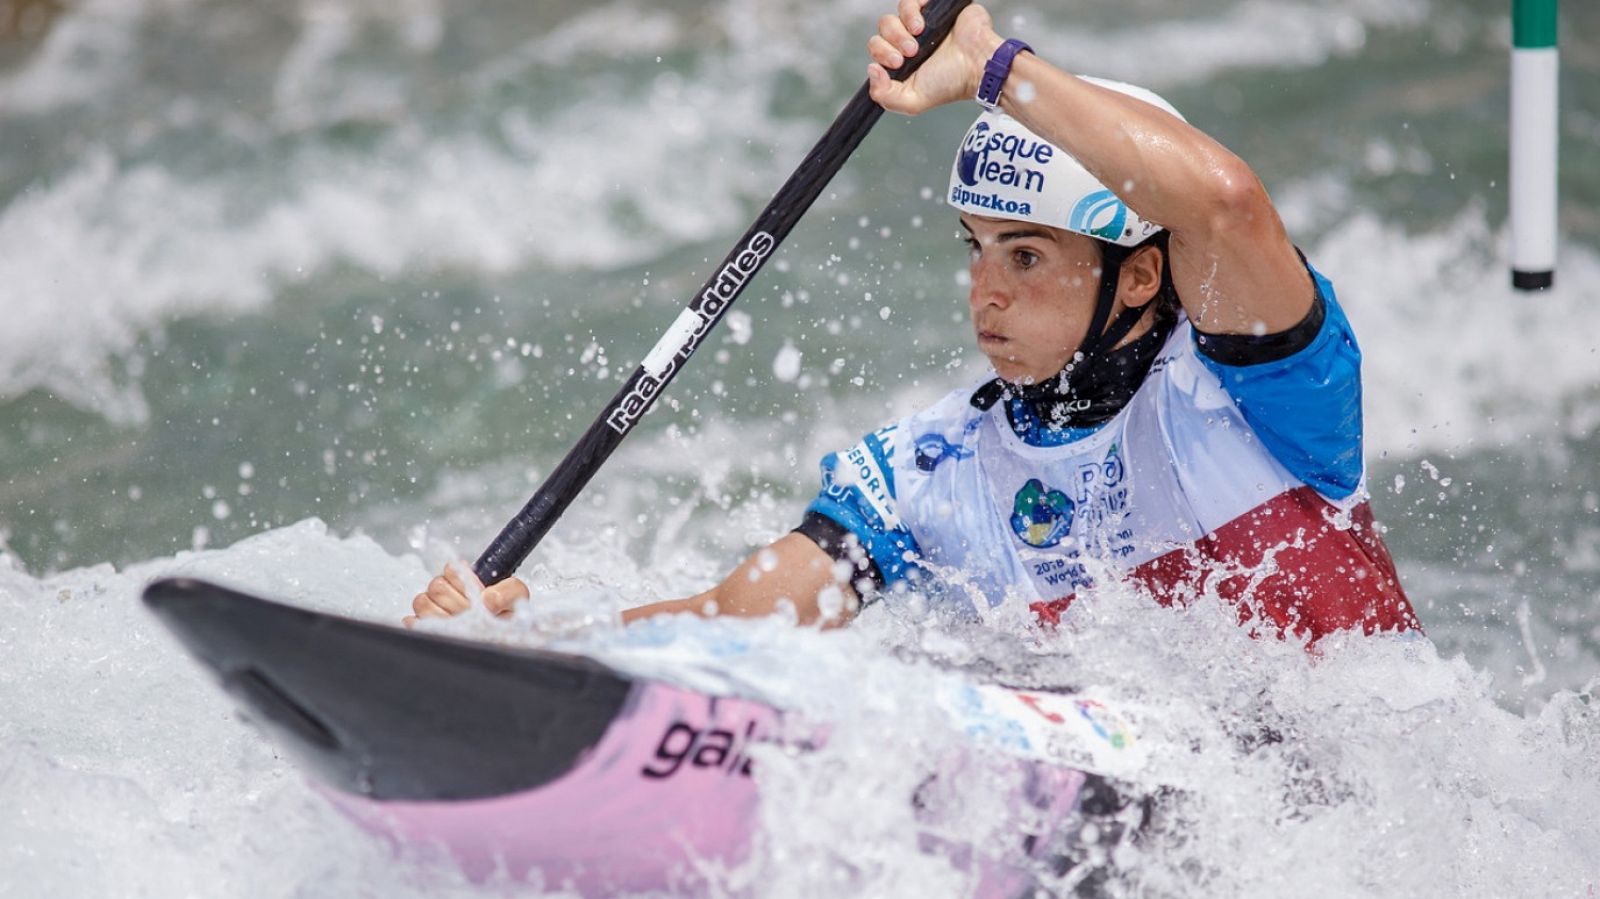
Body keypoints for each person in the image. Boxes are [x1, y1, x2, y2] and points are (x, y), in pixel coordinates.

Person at [408, 0, 1420, 645]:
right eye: (976, 249)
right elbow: (732, 622)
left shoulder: (1260, 395)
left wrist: (991, 65)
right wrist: (533, 636)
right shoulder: (928, 470)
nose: (985, 291)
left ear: (1140, 276)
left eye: (1026, 256)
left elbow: (1225, 205)